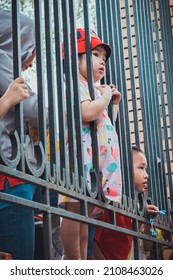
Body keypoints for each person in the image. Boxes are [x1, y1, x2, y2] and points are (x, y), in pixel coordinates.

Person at [59, 28, 122, 260]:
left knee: (83, 215)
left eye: (103, 58)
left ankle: (82, 261)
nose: (102, 61)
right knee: (74, 212)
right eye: (95, 54)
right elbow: (87, 113)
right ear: (75, 58)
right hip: (79, 157)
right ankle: (73, 262)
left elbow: (103, 125)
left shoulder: (93, 89)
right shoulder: (76, 84)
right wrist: (104, 98)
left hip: (93, 161)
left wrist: (110, 105)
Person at [0, 10, 45, 260]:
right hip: (10, 181)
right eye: (31, 47)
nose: (32, 58)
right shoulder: (2, 60)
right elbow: (34, 111)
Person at [92, 145, 159, 260]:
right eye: (141, 168)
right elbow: (91, 242)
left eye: (145, 169)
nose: (146, 175)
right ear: (125, 169)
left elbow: (130, 237)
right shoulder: (108, 201)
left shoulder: (132, 205)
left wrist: (147, 220)